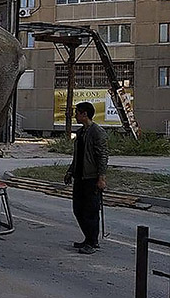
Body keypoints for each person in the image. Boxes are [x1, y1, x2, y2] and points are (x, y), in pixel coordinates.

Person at [64, 102, 109, 255]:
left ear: (84, 114)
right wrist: (70, 171)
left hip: (91, 178)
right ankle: (87, 237)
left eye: (77, 112)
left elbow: (102, 156)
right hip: (80, 176)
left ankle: (92, 241)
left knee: (90, 211)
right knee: (78, 209)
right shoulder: (81, 132)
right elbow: (77, 156)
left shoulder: (97, 132)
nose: (75, 115)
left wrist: (101, 178)